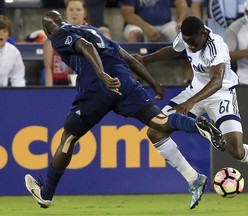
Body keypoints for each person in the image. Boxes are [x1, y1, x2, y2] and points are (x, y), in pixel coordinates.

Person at [24, 10, 226, 210]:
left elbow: (84, 46)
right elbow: (127, 57)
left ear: (46, 31)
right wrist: (153, 83)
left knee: (68, 138)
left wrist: (102, 74)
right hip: (124, 79)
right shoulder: (92, 29)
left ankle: (46, 193)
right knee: (161, 122)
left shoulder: (58, 34)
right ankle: (198, 126)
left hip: (98, 86)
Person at [133, 16, 248, 208]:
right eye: (187, 41)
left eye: (193, 41)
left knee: (235, 150)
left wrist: (191, 102)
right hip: (194, 92)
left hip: (221, 94)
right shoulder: (187, 38)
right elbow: (172, 50)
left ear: (204, 33)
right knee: (155, 130)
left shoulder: (216, 46)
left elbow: (216, 81)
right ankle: (193, 178)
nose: (190, 45)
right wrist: (144, 60)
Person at [119, 0, 193, 85]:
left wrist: (181, 21)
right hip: (138, 25)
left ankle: (188, 80)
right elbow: (127, 13)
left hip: (166, 24)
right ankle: (135, 80)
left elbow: (181, 2)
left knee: (185, 37)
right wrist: (147, 28)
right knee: (135, 33)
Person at [43, 0, 88, 86]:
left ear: (85, 13)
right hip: (58, 85)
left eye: (78, 10)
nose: (74, 13)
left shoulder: (92, 34)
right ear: (66, 12)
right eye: (71, 10)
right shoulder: (53, 37)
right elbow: (48, 69)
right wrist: (49, 92)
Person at [0, 15, 25, 87]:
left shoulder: (13, 52)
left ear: (8, 35)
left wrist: (18, 95)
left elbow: (18, 78)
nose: (1, 34)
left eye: (4, 31)